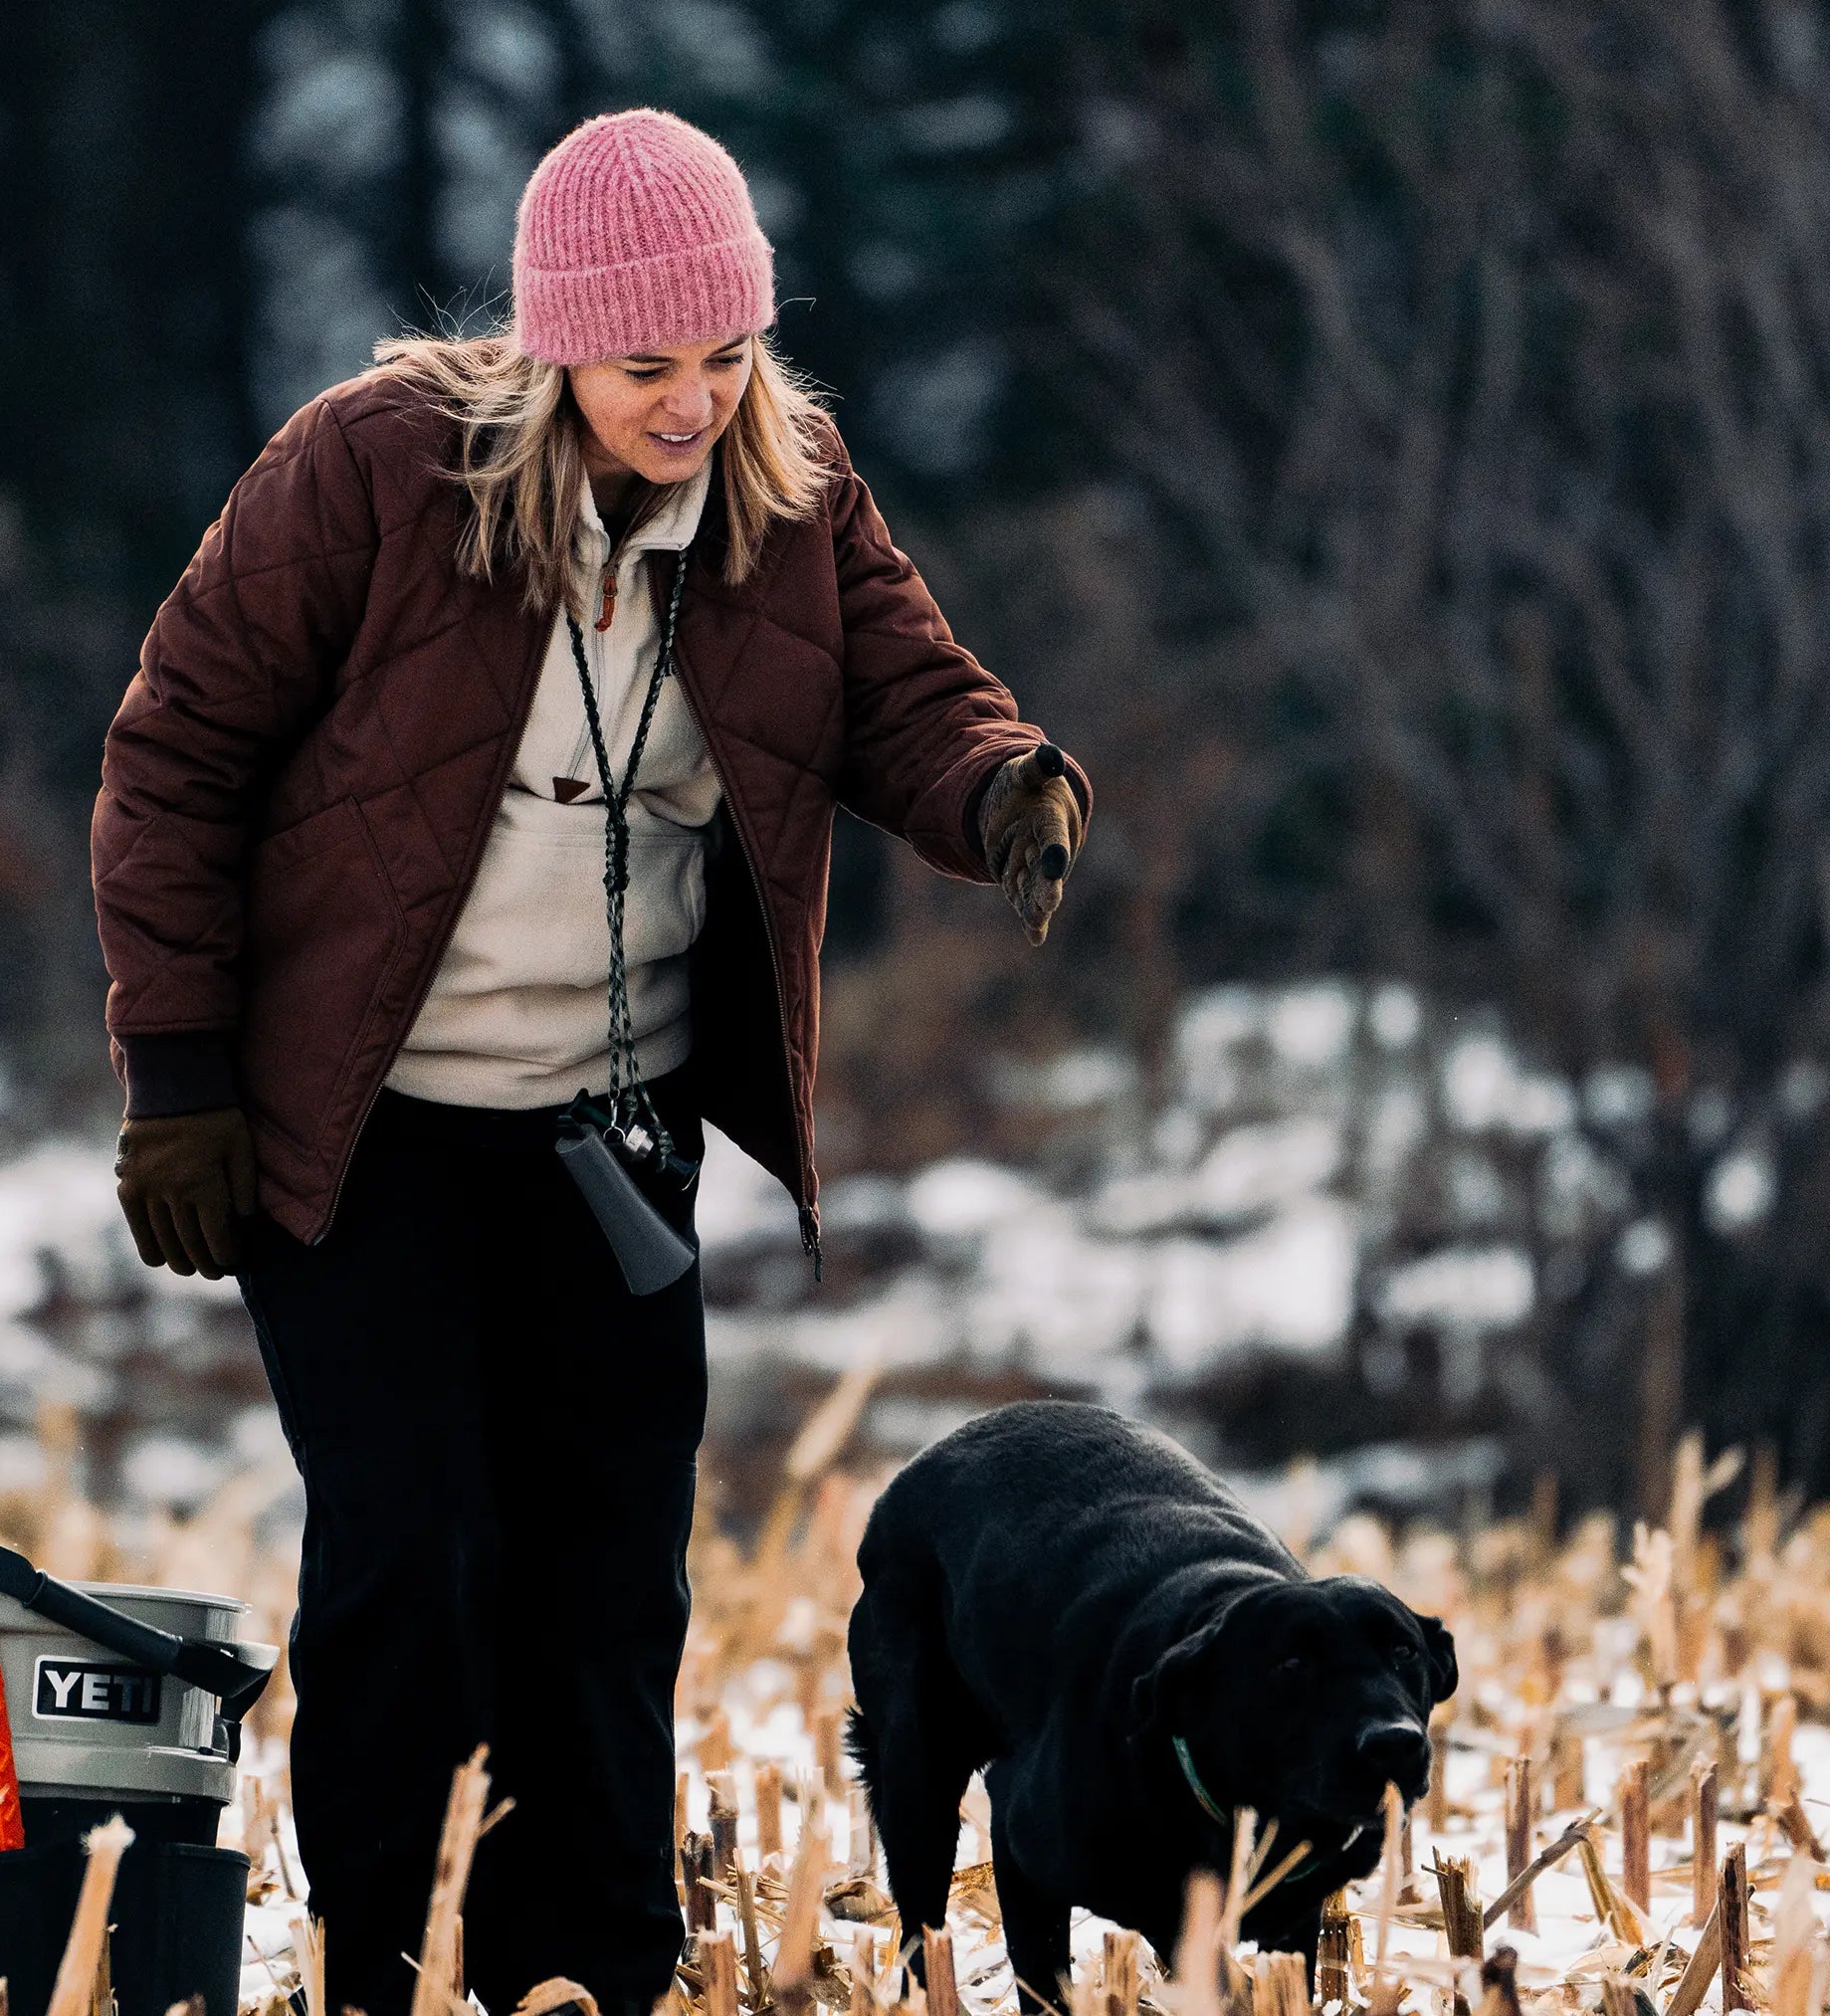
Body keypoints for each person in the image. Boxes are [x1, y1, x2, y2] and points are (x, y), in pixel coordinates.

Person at [90, 106, 1091, 2016]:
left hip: (608, 1131)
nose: (697, 401)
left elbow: (901, 691)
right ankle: (382, 1960)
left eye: (728, 356)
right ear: (558, 347)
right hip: (358, 1129)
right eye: (651, 365)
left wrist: (1000, 789)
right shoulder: (371, 476)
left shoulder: (791, 497)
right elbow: (174, 757)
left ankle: (594, 1972)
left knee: (612, 1573)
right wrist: (180, 1073)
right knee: (416, 1559)